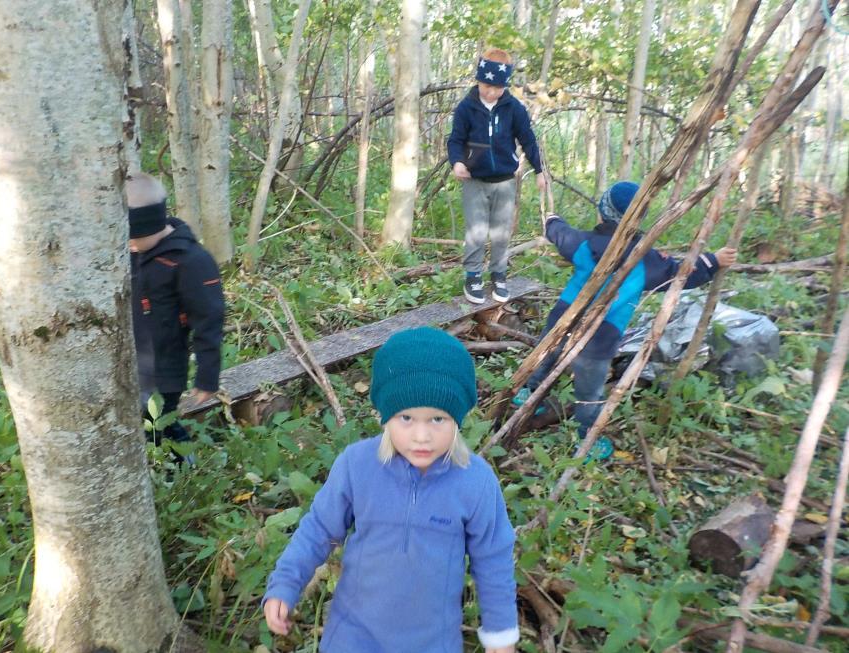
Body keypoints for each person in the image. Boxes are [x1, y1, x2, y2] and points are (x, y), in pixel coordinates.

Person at [262, 327, 518, 653]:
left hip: (432, 641)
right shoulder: (357, 465)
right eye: (406, 418)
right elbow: (318, 529)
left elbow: (493, 559)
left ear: (457, 418)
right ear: (385, 416)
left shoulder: (475, 482)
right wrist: (285, 584)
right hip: (352, 636)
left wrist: (501, 633)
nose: (421, 436)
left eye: (438, 419)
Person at [513, 181, 738, 460]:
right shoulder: (647, 260)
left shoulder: (585, 243)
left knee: (546, 356)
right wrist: (712, 261)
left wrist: (552, 221)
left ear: (603, 212)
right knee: (590, 387)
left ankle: (528, 394)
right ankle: (586, 437)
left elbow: (561, 234)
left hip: (565, 317)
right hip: (604, 333)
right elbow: (683, 274)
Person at [127, 172, 224, 461]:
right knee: (142, 422)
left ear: (152, 226)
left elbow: (209, 320)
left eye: (134, 237)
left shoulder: (191, 261)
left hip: (165, 367)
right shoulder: (134, 252)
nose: (129, 244)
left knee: (159, 423)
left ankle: (185, 468)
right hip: (132, 361)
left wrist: (207, 377)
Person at [447, 48, 547, 305]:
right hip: (475, 180)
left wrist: (539, 170)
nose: (491, 91)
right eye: (487, 85)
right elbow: (456, 140)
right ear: (479, 80)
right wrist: (457, 162)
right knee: (476, 231)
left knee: (501, 232)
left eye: (497, 87)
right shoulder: (466, 107)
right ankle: (473, 276)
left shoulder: (514, 108)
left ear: (506, 84)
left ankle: (499, 275)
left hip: (504, 181)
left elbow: (528, 140)